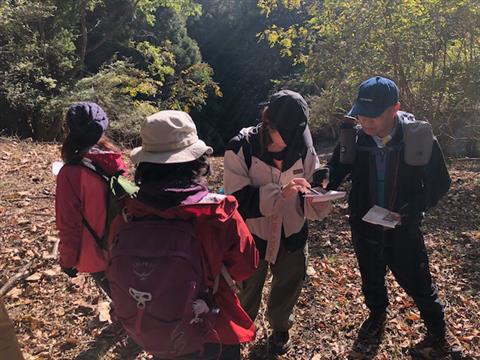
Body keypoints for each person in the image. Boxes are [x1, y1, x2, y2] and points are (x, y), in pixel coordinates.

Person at [322, 76, 463, 358]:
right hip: (364, 222)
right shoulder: (355, 136)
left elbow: (440, 182)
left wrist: (415, 208)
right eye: (361, 113)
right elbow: (337, 169)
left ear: (395, 108)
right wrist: (324, 180)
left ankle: (437, 333)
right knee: (370, 275)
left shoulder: (418, 137)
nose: (366, 121)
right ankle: (376, 316)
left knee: (418, 280)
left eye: (373, 116)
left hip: (402, 226)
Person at [108, 110, 259, 360]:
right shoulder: (217, 213)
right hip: (212, 327)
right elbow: (247, 265)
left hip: (160, 329)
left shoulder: (128, 215)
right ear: (197, 161)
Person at [223, 90, 332, 354]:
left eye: (298, 134)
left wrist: (319, 193)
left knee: (288, 283)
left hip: (292, 231)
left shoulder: (303, 146)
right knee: (247, 288)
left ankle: (281, 327)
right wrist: (280, 192)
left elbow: (309, 188)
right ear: (268, 123)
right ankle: (240, 332)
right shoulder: (241, 147)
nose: (294, 141)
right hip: (253, 237)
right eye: (287, 134)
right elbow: (235, 200)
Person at [55, 102, 128, 297]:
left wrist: (68, 261)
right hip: (125, 246)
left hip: (98, 255)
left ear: (69, 129)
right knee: (133, 299)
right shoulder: (114, 160)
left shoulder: (70, 173)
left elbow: (68, 224)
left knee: (121, 303)